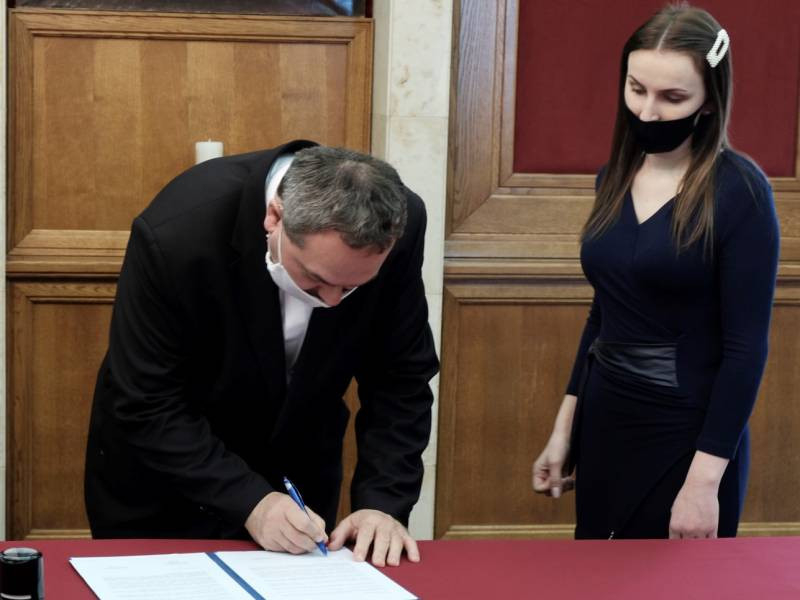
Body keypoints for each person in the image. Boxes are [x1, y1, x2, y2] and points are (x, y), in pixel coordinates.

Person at [85, 140, 439, 566]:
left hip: (299, 483)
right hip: (167, 481)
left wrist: (382, 503)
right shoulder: (179, 230)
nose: (332, 302)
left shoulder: (401, 222)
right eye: (316, 280)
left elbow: (400, 379)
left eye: (352, 288)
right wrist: (250, 501)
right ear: (274, 217)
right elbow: (147, 400)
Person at [532, 4, 780, 539]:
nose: (647, 112)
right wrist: (565, 426)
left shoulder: (741, 190)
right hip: (605, 424)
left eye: (672, 97)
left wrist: (704, 484)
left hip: (690, 441)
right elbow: (605, 314)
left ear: (709, 99)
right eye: (636, 89)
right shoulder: (613, 177)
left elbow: (746, 349)